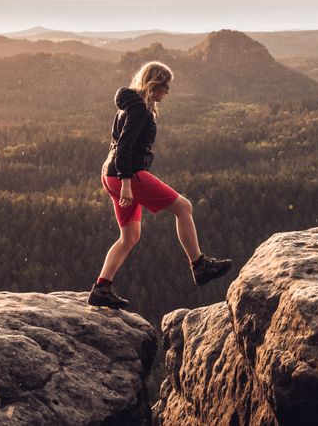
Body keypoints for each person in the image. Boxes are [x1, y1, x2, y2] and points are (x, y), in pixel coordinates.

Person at [89, 61, 232, 309]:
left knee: (129, 237)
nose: (167, 91)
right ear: (153, 85)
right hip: (128, 176)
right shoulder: (139, 111)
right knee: (184, 207)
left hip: (110, 174)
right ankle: (199, 266)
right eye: (165, 86)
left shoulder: (130, 106)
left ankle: (101, 288)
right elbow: (124, 146)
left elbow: (117, 144)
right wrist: (126, 183)